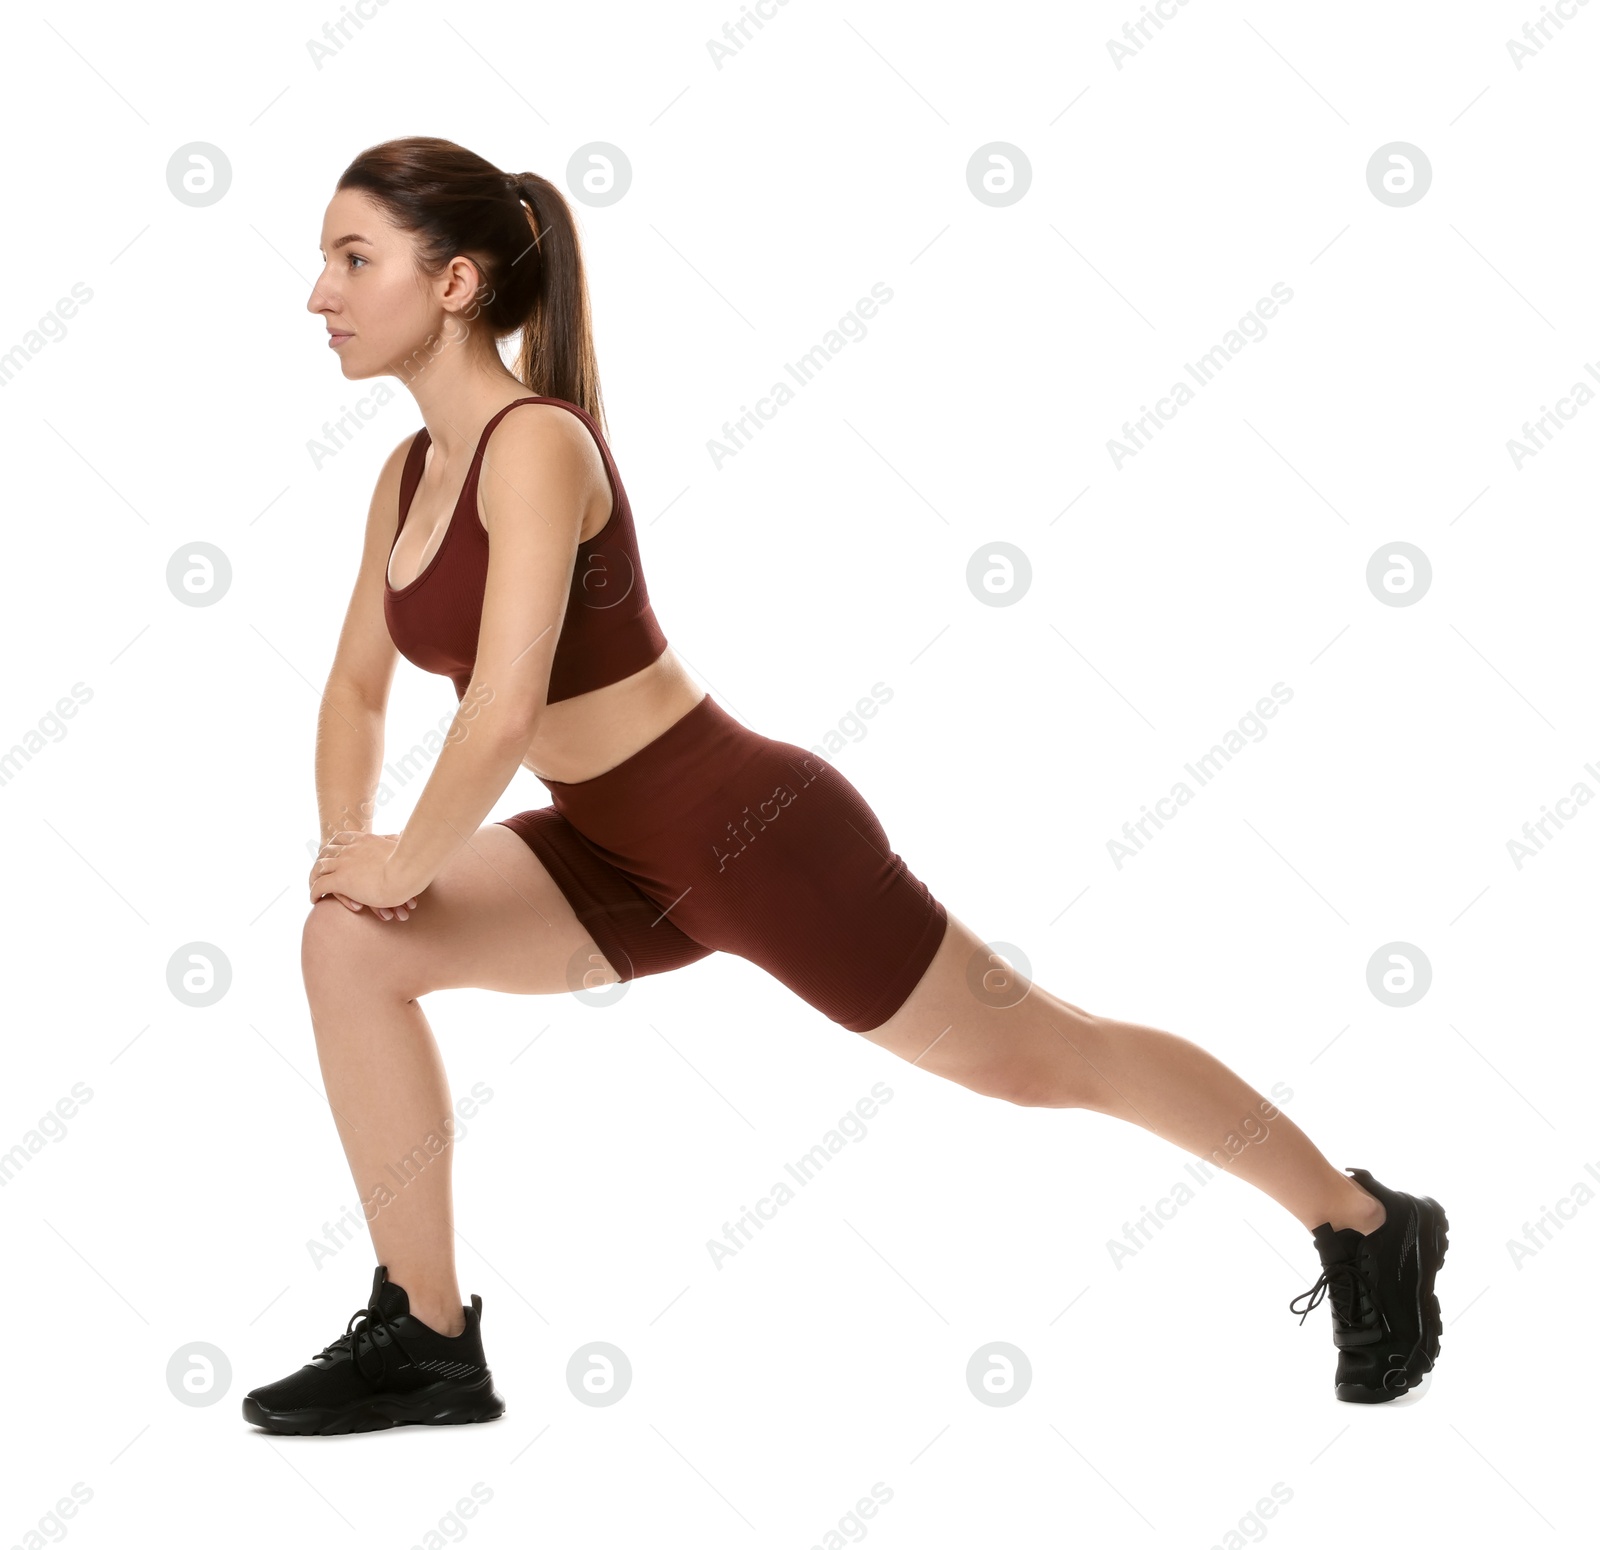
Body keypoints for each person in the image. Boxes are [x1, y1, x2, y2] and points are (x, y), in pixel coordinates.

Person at [241, 137, 1448, 1435]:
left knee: (1047, 1060)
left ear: (458, 280)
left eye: (352, 257)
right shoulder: (406, 476)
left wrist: (406, 859)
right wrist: (345, 847)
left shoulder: (537, 444)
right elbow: (357, 688)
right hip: (606, 850)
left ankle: (1363, 1218)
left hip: (748, 836)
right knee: (347, 943)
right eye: (326, 260)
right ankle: (426, 1336)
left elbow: (503, 707)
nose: (320, 291)